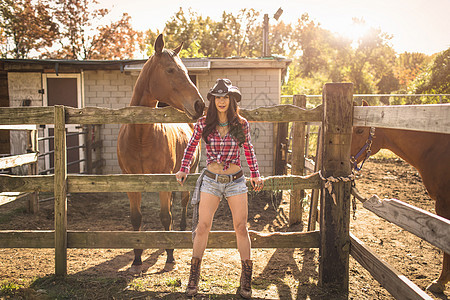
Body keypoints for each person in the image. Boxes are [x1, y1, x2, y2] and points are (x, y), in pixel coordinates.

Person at [175, 78, 264, 298]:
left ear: (232, 99)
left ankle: (245, 279)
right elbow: (191, 145)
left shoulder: (240, 124)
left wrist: (255, 173)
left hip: (235, 181)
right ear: (212, 100)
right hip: (212, 181)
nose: (221, 101)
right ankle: (194, 277)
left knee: (241, 227)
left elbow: (248, 149)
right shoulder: (204, 123)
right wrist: (183, 167)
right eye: (218, 97)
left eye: (225, 97)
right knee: (203, 227)